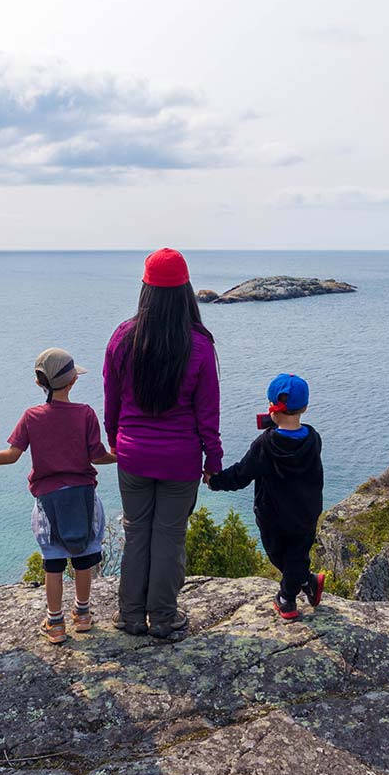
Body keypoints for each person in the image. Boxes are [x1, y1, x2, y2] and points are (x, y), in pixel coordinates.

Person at [103, 248, 223, 638]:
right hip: (180, 459)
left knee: (137, 531)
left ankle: (131, 616)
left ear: (145, 290)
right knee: (170, 535)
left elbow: (112, 400)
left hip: (133, 454)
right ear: (186, 291)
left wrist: (114, 439)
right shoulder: (200, 345)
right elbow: (208, 413)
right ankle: (164, 618)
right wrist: (214, 460)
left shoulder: (123, 337)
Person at [0, 348, 117, 643]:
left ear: (40, 383)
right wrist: (122, 455)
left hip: (48, 501)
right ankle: (83, 615)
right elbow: (98, 456)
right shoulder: (85, 413)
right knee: (85, 555)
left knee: (53, 562)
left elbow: (12, 455)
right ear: (73, 380)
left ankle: (56, 623)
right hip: (84, 496)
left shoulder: (32, 416)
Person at [207, 373, 324, 621]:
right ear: (304, 407)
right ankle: (307, 580)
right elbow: (293, 448)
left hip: (274, 515)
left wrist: (214, 481)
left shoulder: (266, 444)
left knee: (278, 554)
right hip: (306, 513)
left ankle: (286, 599)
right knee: (296, 554)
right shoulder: (313, 438)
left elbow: (241, 474)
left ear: (272, 406)